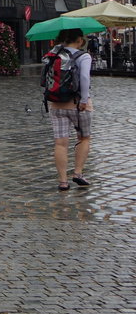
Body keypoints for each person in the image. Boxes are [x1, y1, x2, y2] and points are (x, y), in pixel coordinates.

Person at [48, 28, 93, 191]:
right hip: (78, 105)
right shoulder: (83, 56)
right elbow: (84, 78)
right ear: (80, 40)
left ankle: (63, 181)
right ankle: (78, 173)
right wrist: (83, 99)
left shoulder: (53, 55)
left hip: (57, 104)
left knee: (60, 143)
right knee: (84, 138)